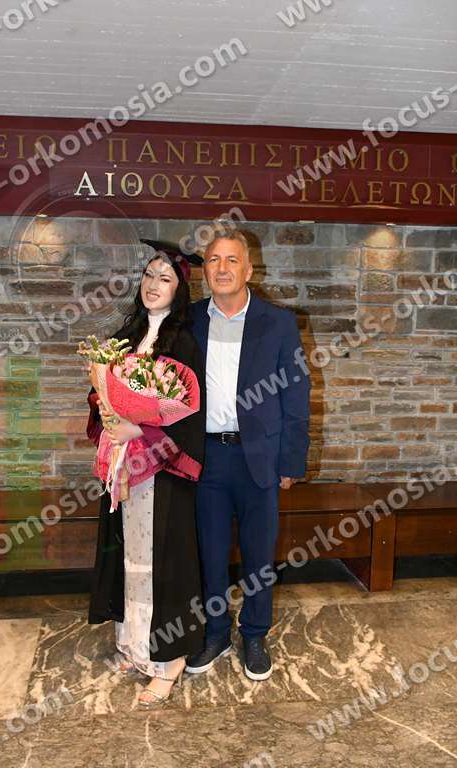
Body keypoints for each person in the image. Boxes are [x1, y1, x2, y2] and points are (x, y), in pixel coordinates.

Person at [186, 227, 311, 681]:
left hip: (260, 458)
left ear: (249, 269)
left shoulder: (277, 323)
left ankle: (255, 634)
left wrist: (291, 461)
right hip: (206, 458)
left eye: (231, 260)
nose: (221, 268)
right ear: (205, 270)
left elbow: (296, 396)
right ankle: (216, 632)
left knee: (259, 556)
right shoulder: (190, 320)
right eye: (213, 260)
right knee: (210, 553)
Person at [86, 239, 206, 707]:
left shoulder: (185, 342)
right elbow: (102, 393)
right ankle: (136, 646)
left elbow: (189, 410)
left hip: (162, 468)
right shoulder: (125, 335)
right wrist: (106, 409)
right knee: (128, 556)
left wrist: (139, 426)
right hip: (124, 466)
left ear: (179, 289)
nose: (153, 284)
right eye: (149, 275)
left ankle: (169, 660)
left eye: (165, 278)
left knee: (164, 561)